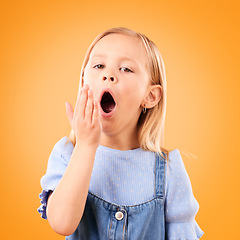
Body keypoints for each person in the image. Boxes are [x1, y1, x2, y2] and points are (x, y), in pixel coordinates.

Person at [38, 27, 204, 239]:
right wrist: (86, 145)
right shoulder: (67, 154)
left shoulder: (169, 169)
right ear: (83, 84)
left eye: (126, 69)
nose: (108, 75)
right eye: (99, 66)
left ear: (150, 96)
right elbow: (62, 223)